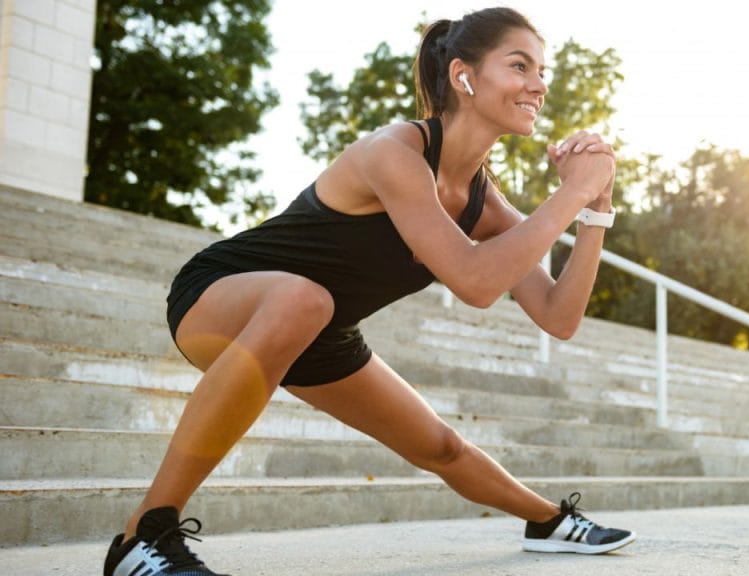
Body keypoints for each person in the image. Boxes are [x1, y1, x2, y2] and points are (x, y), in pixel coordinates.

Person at [103, 7, 635, 576]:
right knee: (304, 299)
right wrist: (572, 192)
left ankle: (550, 521)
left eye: (541, 69)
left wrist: (594, 213)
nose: (539, 84)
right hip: (221, 296)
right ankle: (144, 535)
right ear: (464, 76)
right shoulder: (394, 154)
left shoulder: (484, 203)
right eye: (520, 65)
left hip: (318, 327)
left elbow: (560, 317)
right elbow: (477, 283)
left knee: (441, 446)